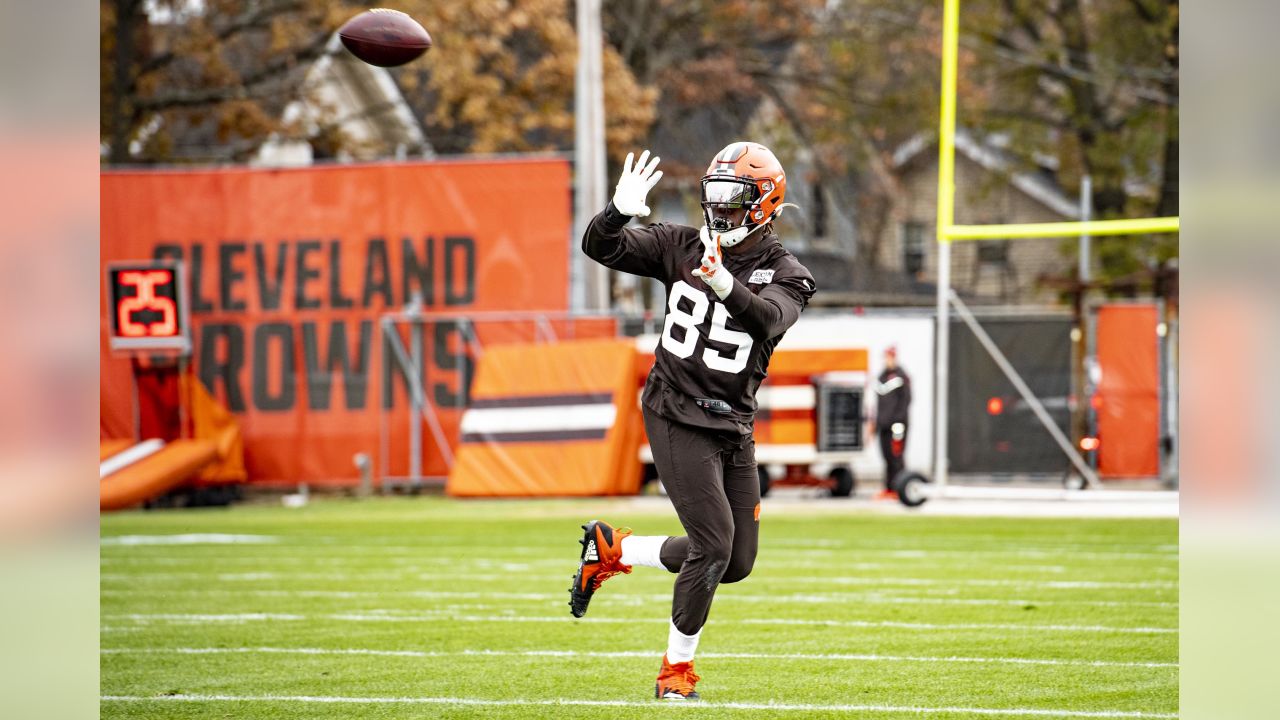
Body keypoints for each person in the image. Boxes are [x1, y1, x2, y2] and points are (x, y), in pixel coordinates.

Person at [568, 143, 815, 700]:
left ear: (765, 203)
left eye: (736, 199)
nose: (722, 210)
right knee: (714, 542)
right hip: (674, 410)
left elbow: (770, 320)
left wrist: (727, 285)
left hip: (732, 422)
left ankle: (613, 550)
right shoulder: (681, 243)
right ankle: (674, 675)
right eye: (717, 196)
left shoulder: (788, 271)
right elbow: (598, 247)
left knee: (736, 561)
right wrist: (616, 213)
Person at [873, 346, 911, 497]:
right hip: (883, 424)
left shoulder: (901, 377)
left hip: (897, 425)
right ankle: (889, 487)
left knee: (897, 455)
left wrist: (898, 420)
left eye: (890, 357)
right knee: (886, 455)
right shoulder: (881, 377)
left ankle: (900, 487)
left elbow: (906, 401)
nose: (887, 360)